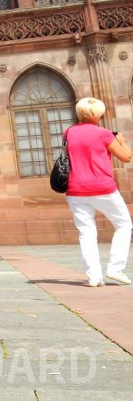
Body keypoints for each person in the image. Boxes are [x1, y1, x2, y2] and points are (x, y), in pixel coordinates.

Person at [64, 97, 132, 286]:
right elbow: (126, 157)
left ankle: (94, 276)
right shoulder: (103, 134)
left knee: (86, 232)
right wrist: (122, 141)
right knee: (124, 225)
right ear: (95, 114)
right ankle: (115, 268)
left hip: (75, 189)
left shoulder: (67, 133)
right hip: (102, 188)